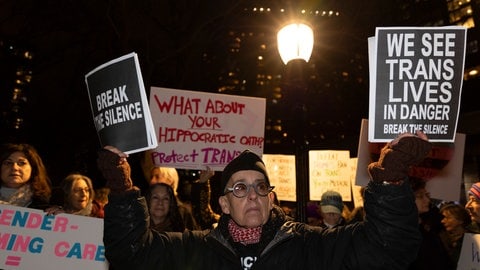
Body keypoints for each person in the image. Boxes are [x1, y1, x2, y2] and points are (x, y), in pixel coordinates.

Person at [98, 131, 431, 270]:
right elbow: (130, 254)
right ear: (224, 204)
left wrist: (389, 181)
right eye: (239, 188)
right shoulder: (195, 249)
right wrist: (123, 189)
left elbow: (389, 248)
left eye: (260, 187)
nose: (252, 195)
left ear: (272, 198)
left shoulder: (308, 245)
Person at [408, 177, 453, 270]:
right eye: (420, 196)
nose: (427, 200)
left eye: (427, 195)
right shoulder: (400, 235)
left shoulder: (429, 227)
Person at [0, 143, 51, 209]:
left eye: (21, 163)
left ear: (33, 169)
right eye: (8, 163)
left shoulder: (48, 203)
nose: (14, 168)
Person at [439, 202, 470, 268]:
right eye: (442, 218)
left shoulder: (471, 240)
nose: (443, 221)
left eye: (447, 218)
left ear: (461, 220)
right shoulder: (441, 239)